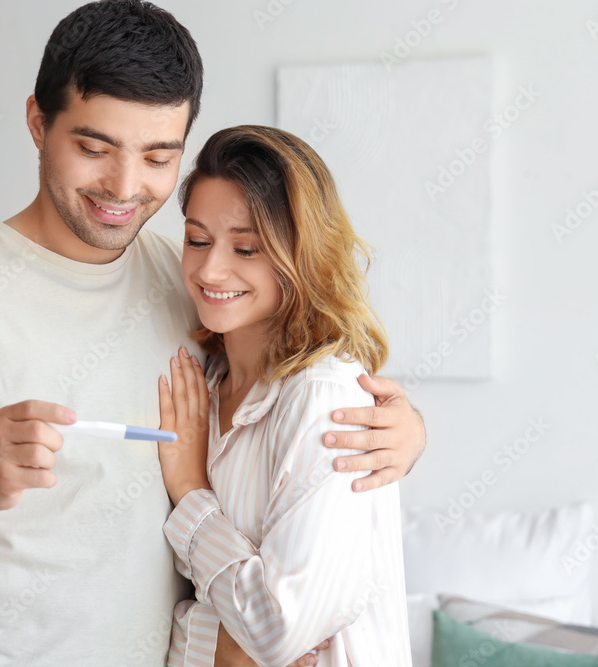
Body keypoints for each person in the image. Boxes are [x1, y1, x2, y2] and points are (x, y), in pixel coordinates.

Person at [0, 1, 425, 665]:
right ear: (38, 122)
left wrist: (402, 433)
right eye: (94, 148)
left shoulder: (193, 285)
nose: (123, 185)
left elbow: (297, 383)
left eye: (157, 156)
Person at [156, 126, 411, 666]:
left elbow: (276, 633)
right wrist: (219, 645)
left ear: (302, 254)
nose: (209, 269)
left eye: (246, 247)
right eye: (197, 239)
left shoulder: (323, 399)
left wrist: (191, 490)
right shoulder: (203, 382)